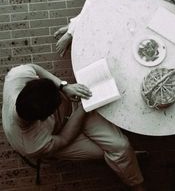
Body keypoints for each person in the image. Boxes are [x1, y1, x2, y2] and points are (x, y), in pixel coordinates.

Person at [2, 64, 146, 191]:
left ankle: (129, 170)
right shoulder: (32, 145)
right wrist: (83, 109)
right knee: (106, 153)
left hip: (76, 110)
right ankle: (129, 167)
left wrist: (64, 87)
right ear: (44, 118)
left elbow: (34, 68)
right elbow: (64, 139)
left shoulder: (15, 77)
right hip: (60, 137)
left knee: (120, 147)